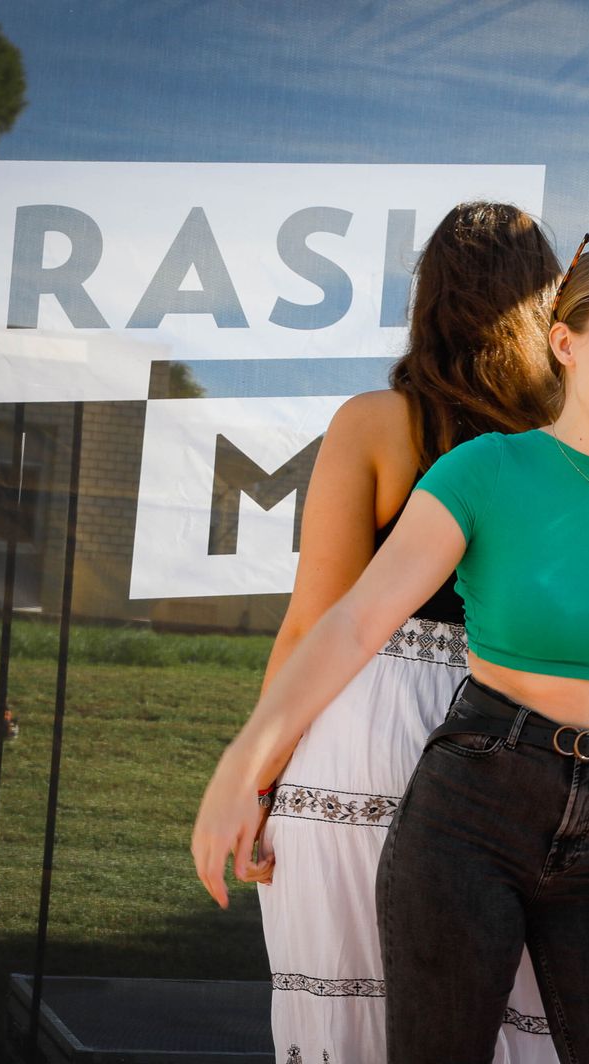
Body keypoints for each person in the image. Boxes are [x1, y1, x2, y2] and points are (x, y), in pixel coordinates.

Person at [195, 233, 589, 1064]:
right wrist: (240, 771)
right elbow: (352, 623)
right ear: (565, 343)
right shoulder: (480, 473)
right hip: (475, 809)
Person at [241, 202, 564, 1064]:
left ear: (429, 300)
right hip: (528, 734)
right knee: (514, 1019)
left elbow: (315, 618)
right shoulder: (576, 439)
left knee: (355, 1015)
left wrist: (254, 779)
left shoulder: (378, 423)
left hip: (367, 734)